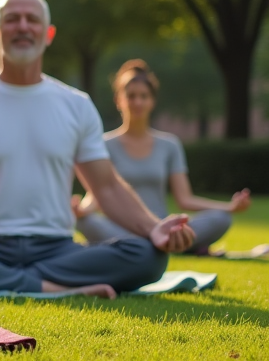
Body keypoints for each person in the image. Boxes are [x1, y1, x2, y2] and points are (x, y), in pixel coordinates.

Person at [0, 0, 195, 298]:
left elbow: (106, 186)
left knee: (148, 256)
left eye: (32, 20)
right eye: (12, 20)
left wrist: (153, 227)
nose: (22, 27)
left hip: (57, 251)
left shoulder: (76, 104)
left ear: (48, 34)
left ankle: (12, 282)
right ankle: (49, 288)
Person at [74, 60, 251, 256]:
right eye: (131, 96)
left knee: (221, 218)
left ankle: (148, 245)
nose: (138, 102)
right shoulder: (104, 144)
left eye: (144, 96)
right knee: (84, 221)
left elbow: (184, 199)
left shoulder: (169, 145)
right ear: (119, 100)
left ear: (152, 101)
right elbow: (99, 192)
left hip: (162, 225)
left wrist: (229, 207)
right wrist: (81, 210)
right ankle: (163, 245)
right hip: (122, 228)